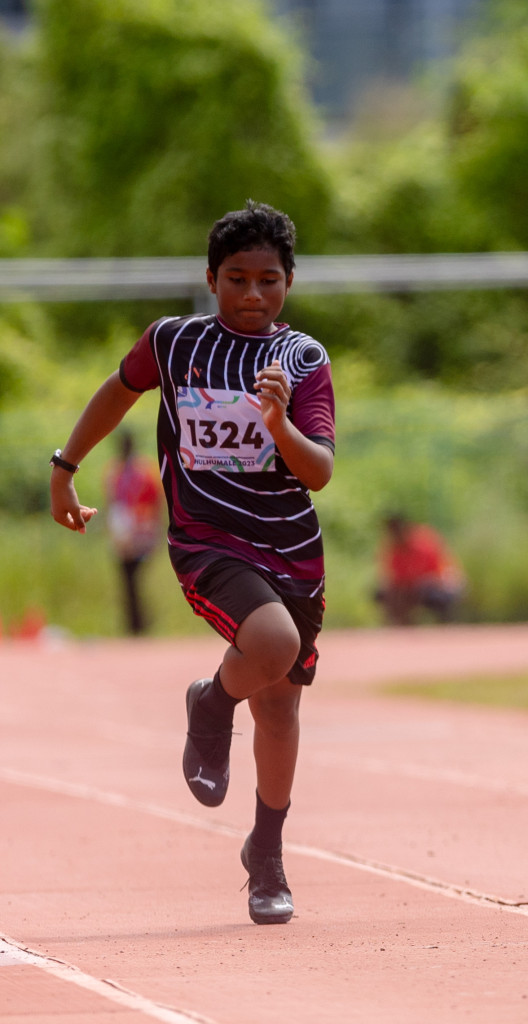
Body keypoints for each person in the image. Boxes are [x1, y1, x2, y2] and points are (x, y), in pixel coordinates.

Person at [49, 201, 335, 925]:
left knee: (280, 704)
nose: (251, 295)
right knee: (271, 644)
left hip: (292, 550)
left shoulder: (302, 360)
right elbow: (117, 391)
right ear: (210, 279)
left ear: (289, 284)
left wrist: (279, 425)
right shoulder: (174, 344)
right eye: (236, 278)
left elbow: (321, 470)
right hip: (208, 542)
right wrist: (66, 466)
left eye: (268, 280)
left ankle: (265, 856)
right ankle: (210, 703)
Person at [104, 430, 163, 636]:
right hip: (123, 530)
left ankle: (140, 621)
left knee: (135, 576)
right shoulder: (114, 471)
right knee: (127, 578)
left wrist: (152, 526)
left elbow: (155, 500)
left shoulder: (143, 470)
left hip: (142, 529)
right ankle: (134, 622)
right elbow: (111, 501)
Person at [376, 515, 464, 625]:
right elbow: (394, 578)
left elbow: (440, 573)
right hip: (412, 587)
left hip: (440, 584)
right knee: (389, 592)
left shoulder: (424, 542)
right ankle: (401, 627)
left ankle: (446, 626)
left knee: (428, 590)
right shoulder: (393, 549)